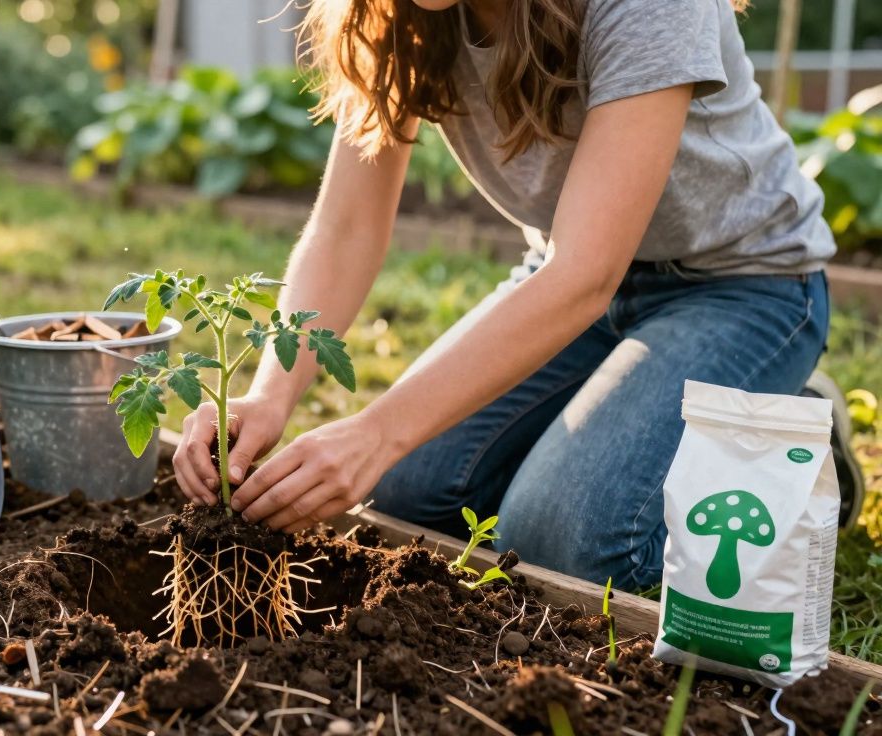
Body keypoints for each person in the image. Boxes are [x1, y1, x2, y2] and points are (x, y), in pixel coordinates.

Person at [170, 0, 859, 590]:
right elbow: (347, 228)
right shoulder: (396, 14)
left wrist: (375, 431)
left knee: (561, 540)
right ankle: (647, 419)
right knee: (401, 492)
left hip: (742, 284)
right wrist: (270, 393)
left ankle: (791, 440)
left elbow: (585, 275)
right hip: (568, 280)